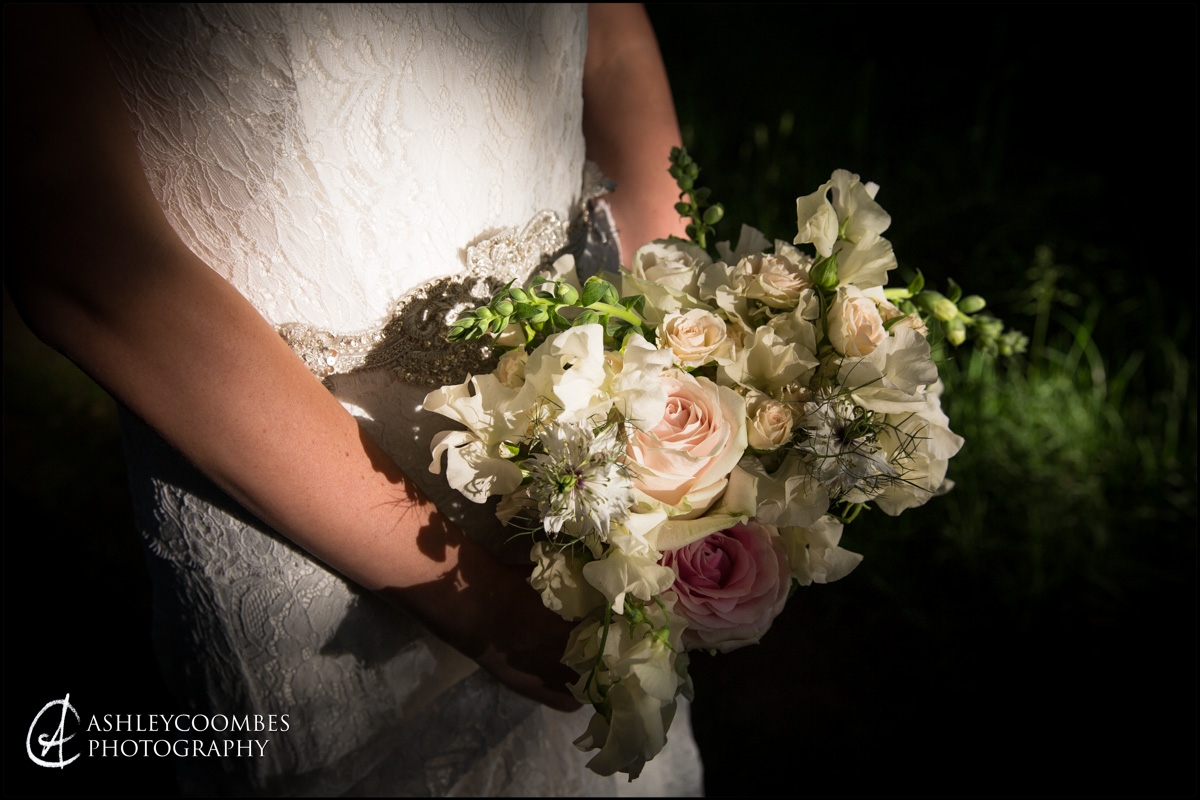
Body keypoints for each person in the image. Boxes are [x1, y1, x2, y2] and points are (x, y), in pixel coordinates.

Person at [4, 3, 701, 794]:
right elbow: (79, 239)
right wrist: (484, 607)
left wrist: (681, 337)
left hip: (599, 408)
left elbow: (605, 34)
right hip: (304, 502)